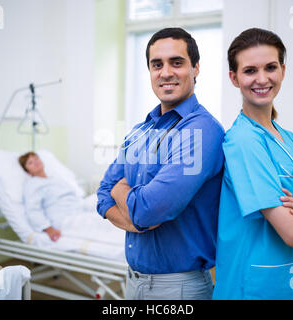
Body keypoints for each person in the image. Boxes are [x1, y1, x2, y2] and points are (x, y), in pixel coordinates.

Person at [96, 27, 225, 300]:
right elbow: (102, 193)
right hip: (133, 281)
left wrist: (123, 194)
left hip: (177, 289)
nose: (165, 72)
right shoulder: (140, 130)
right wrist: (136, 220)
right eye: (157, 64)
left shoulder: (201, 131)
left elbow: (147, 210)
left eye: (176, 63)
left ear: (196, 68)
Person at [212, 28, 293, 300]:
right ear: (234, 78)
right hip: (255, 286)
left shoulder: (287, 138)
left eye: (270, 67)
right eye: (250, 71)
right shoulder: (243, 141)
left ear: (282, 70)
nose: (262, 79)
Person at [18, 151, 83, 242]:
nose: (36, 162)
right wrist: (49, 229)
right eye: (30, 162)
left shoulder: (55, 179)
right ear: (28, 172)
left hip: (78, 211)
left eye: (36, 159)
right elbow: (33, 211)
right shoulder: (32, 185)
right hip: (64, 219)